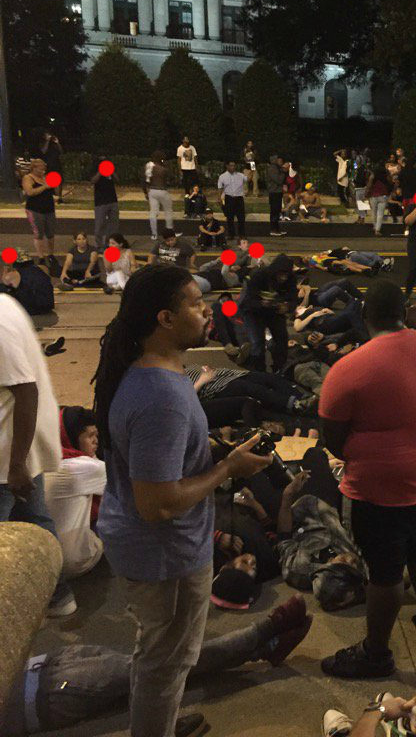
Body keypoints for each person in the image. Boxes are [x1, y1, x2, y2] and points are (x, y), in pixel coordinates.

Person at [92, 264, 273, 737]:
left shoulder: (153, 372)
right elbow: (160, 504)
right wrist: (226, 469)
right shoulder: (160, 398)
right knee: (166, 661)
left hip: (154, 548)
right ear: (165, 318)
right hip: (164, 555)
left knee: (158, 654)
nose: (206, 308)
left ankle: (159, 719)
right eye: (194, 302)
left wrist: (212, 452)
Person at [319, 280, 416, 678]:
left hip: (383, 485)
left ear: (366, 317)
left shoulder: (350, 368)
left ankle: (376, 654)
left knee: (385, 571)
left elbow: (333, 437)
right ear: (405, 313)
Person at [0, 596, 311, 736]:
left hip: (44, 663)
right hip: (49, 693)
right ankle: (265, 632)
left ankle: (266, 648)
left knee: (156, 662)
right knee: (168, 662)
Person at [0, 292, 76, 617]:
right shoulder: (6, 303)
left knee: (27, 521)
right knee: (36, 519)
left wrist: (17, 465)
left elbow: (26, 390)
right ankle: (58, 596)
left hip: (7, 455)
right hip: (17, 448)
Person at [42, 407, 106, 578]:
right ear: (70, 437)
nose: (95, 441)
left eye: (97, 435)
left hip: (44, 563)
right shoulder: (85, 467)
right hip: (76, 562)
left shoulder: (45, 460)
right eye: (89, 436)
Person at [238, 253, 298, 373]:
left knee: (282, 338)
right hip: (254, 312)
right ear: (275, 271)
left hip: (274, 311)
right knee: (258, 342)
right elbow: (247, 302)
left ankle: (280, 368)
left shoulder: (291, 279)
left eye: (286, 275)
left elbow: (293, 298)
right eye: (281, 274)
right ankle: (259, 370)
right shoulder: (259, 275)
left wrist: (287, 307)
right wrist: (261, 304)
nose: (283, 278)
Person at [21, 158, 58, 271]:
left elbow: (50, 192)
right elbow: (30, 192)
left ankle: (50, 254)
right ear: (34, 168)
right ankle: (41, 257)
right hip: (35, 210)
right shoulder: (28, 178)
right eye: (41, 167)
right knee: (39, 234)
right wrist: (44, 187)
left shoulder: (45, 178)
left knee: (50, 233)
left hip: (49, 209)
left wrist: (55, 197)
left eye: (44, 167)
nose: (43, 170)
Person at [144, 151, 174, 240]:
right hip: (162, 191)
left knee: (153, 212)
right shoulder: (163, 169)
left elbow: (145, 180)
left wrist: (145, 192)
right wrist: (165, 165)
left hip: (152, 191)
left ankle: (154, 234)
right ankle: (170, 232)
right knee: (168, 211)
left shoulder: (150, 167)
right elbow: (171, 178)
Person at [92, 156, 120, 248]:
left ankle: (111, 243)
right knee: (100, 225)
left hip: (112, 199)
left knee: (114, 225)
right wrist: (100, 172)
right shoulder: (95, 168)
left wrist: (112, 172)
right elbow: (93, 181)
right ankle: (99, 245)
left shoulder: (110, 171)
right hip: (100, 201)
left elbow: (118, 180)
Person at [217, 160, 247, 241]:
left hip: (239, 199)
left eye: (234, 165)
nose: (233, 167)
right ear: (227, 166)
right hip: (229, 198)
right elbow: (220, 188)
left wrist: (253, 165)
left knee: (241, 218)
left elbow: (249, 178)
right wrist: (219, 198)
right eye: (231, 165)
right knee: (230, 218)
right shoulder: (222, 176)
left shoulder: (240, 175)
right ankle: (231, 234)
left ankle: (242, 234)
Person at [38, 131, 64, 202]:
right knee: (48, 181)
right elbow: (44, 151)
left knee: (58, 181)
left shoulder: (55, 144)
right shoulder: (43, 143)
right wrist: (47, 141)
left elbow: (61, 152)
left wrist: (58, 143)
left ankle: (59, 198)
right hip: (48, 164)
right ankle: (49, 197)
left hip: (57, 164)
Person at [266, 155, 287, 237]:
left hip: (277, 192)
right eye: (279, 160)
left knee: (277, 211)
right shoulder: (272, 168)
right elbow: (279, 180)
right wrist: (284, 171)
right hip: (274, 192)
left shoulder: (276, 168)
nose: (281, 162)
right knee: (274, 211)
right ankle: (273, 229)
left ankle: (276, 229)